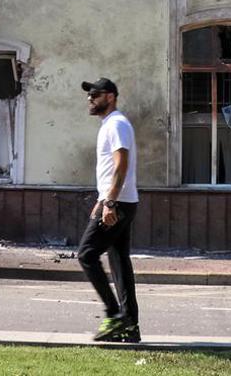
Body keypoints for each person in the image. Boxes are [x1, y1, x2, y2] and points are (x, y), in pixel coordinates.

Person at [77, 77, 140, 343]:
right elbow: (110, 170)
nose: (90, 99)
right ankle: (130, 326)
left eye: (95, 95)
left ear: (110, 96)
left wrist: (110, 202)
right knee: (119, 262)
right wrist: (103, 198)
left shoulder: (116, 124)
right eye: (89, 95)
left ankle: (114, 314)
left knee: (86, 254)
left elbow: (121, 165)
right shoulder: (111, 124)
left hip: (119, 203)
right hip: (120, 201)